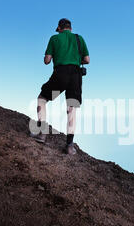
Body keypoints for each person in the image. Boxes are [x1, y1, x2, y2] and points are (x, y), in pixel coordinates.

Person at [31, 18, 90, 155]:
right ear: (70, 28)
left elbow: (47, 60)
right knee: (71, 109)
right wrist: (74, 59)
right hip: (76, 76)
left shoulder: (54, 38)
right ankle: (69, 146)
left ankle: (42, 134)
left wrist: (57, 55)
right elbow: (87, 60)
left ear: (59, 28)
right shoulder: (79, 39)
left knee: (42, 99)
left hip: (60, 74)